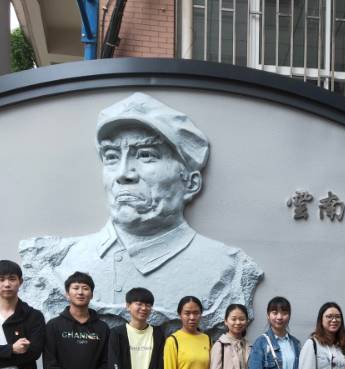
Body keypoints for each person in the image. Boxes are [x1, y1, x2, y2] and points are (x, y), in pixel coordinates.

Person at [18, 92, 263, 330]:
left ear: (190, 182)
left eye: (146, 155)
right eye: (111, 156)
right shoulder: (59, 262)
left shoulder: (226, 268)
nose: (124, 173)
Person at [42, 271, 110, 369]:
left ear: (91, 294)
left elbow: (106, 362)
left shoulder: (102, 328)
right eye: (76, 288)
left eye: (85, 288)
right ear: (67, 294)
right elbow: (50, 364)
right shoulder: (54, 326)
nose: (80, 292)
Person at [205, 303, 251, 369]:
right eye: (233, 319)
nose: (238, 322)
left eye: (242, 319)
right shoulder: (220, 345)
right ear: (226, 321)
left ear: (246, 321)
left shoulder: (250, 346)